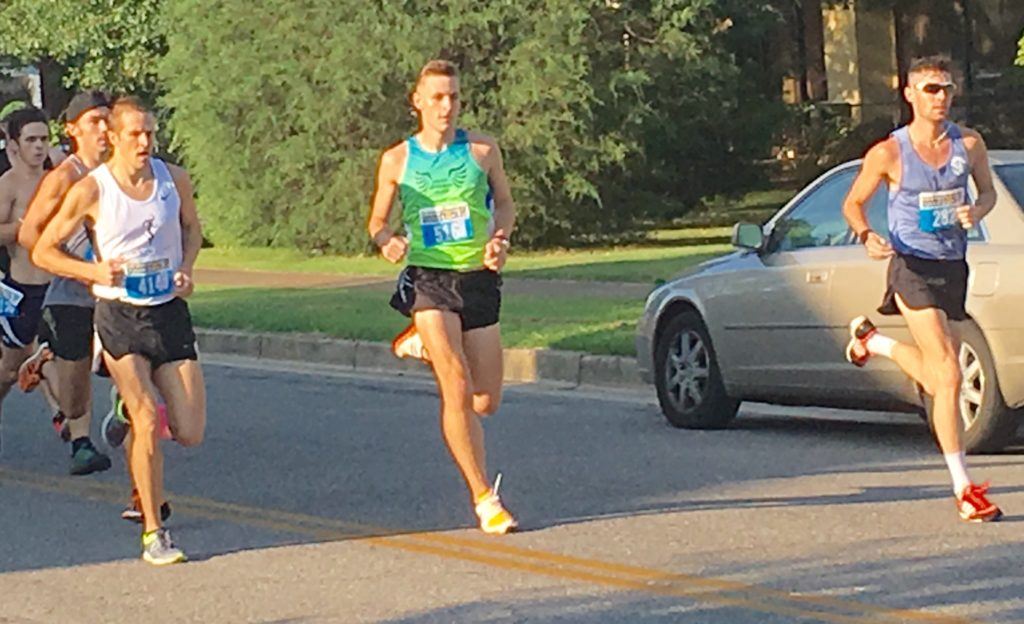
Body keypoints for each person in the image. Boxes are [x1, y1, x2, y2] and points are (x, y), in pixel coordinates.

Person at [33, 96, 206, 564]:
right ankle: (154, 533)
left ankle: (126, 417)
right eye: (135, 133)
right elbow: (42, 250)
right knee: (150, 415)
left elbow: (192, 229)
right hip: (118, 315)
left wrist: (187, 267)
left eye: (150, 132)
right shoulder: (92, 189)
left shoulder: (175, 180)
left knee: (190, 431)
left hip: (168, 311)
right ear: (112, 136)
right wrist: (92, 273)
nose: (145, 141)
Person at [842, 55, 1001, 522]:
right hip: (910, 264)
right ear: (909, 94)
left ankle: (875, 342)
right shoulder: (889, 153)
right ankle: (963, 487)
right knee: (950, 373)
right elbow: (853, 203)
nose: (940, 97)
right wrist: (868, 235)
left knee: (938, 377)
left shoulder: (968, 144)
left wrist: (979, 211)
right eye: (931, 89)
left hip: (953, 265)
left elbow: (987, 191)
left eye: (947, 89)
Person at [367, 60, 518, 535]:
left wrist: (500, 238)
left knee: (484, 401)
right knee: (453, 384)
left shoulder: (481, 150)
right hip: (430, 280)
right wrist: (387, 241)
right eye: (436, 97)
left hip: (477, 279)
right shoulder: (397, 160)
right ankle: (484, 498)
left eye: (453, 97)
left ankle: (420, 340)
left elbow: (507, 204)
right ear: (417, 101)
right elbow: (378, 222)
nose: (446, 106)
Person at [18, 91, 115, 476]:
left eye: (108, 120)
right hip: (72, 292)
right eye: (94, 122)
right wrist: (72, 262)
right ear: (73, 129)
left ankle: (88, 441)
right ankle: (47, 364)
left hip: (116, 293)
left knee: (136, 355)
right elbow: (29, 234)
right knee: (75, 398)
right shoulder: (64, 177)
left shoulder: (121, 173)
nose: (104, 130)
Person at [0, 106, 68, 457]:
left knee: (57, 354)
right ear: (14, 144)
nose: (39, 147)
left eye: (44, 139)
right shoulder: (8, 186)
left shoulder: (58, 177)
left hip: (56, 287)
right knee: (8, 371)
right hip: (20, 290)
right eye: (31, 140)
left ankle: (72, 426)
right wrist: (23, 230)